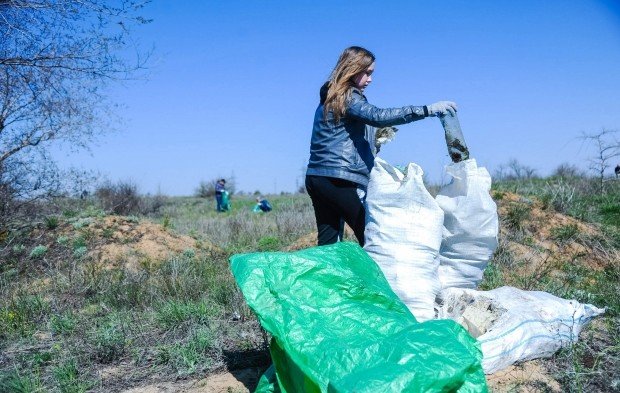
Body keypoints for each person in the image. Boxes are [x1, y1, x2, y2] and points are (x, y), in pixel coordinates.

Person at [305, 46, 457, 246]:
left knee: (329, 242)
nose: (370, 79)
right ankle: (378, 277)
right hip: (339, 179)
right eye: (366, 73)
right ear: (352, 69)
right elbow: (378, 116)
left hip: (316, 177)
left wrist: (373, 140)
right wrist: (427, 110)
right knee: (371, 236)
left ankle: (326, 278)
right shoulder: (348, 95)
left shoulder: (330, 97)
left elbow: (342, 133)